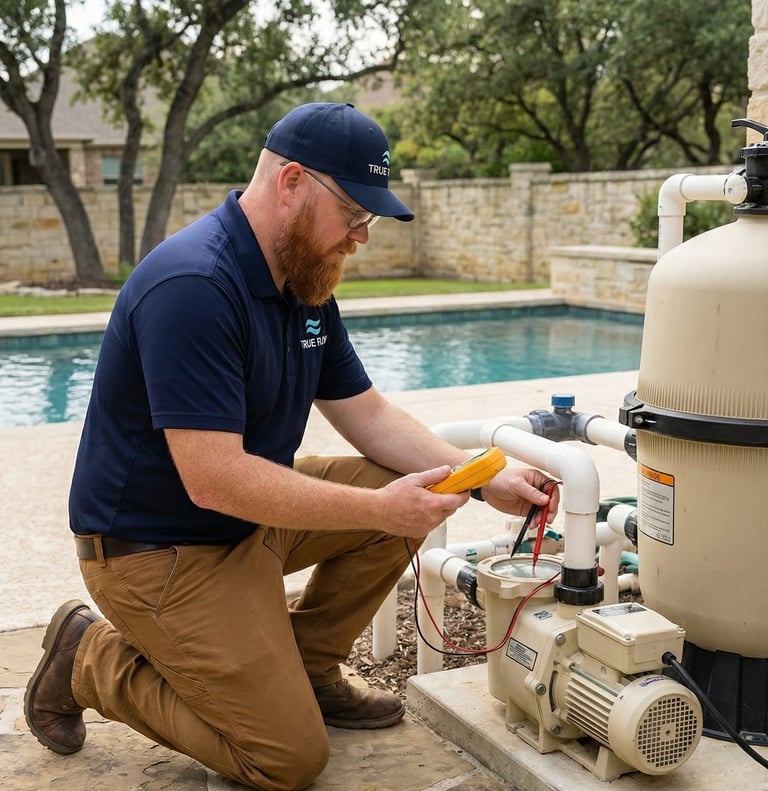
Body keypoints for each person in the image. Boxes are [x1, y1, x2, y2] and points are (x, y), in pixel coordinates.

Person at [24, 102, 558, 791]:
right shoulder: (194, 286)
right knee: (286, 759)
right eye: (353, 212)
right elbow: (214, 479)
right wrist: (381, 510)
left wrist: (477, 478)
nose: (361, 236)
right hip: (157, 551)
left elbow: (367, 414)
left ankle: (306, 669)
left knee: (411, 485)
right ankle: (87, 657)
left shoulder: (303, 282)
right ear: (292, 182)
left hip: (245, 520)